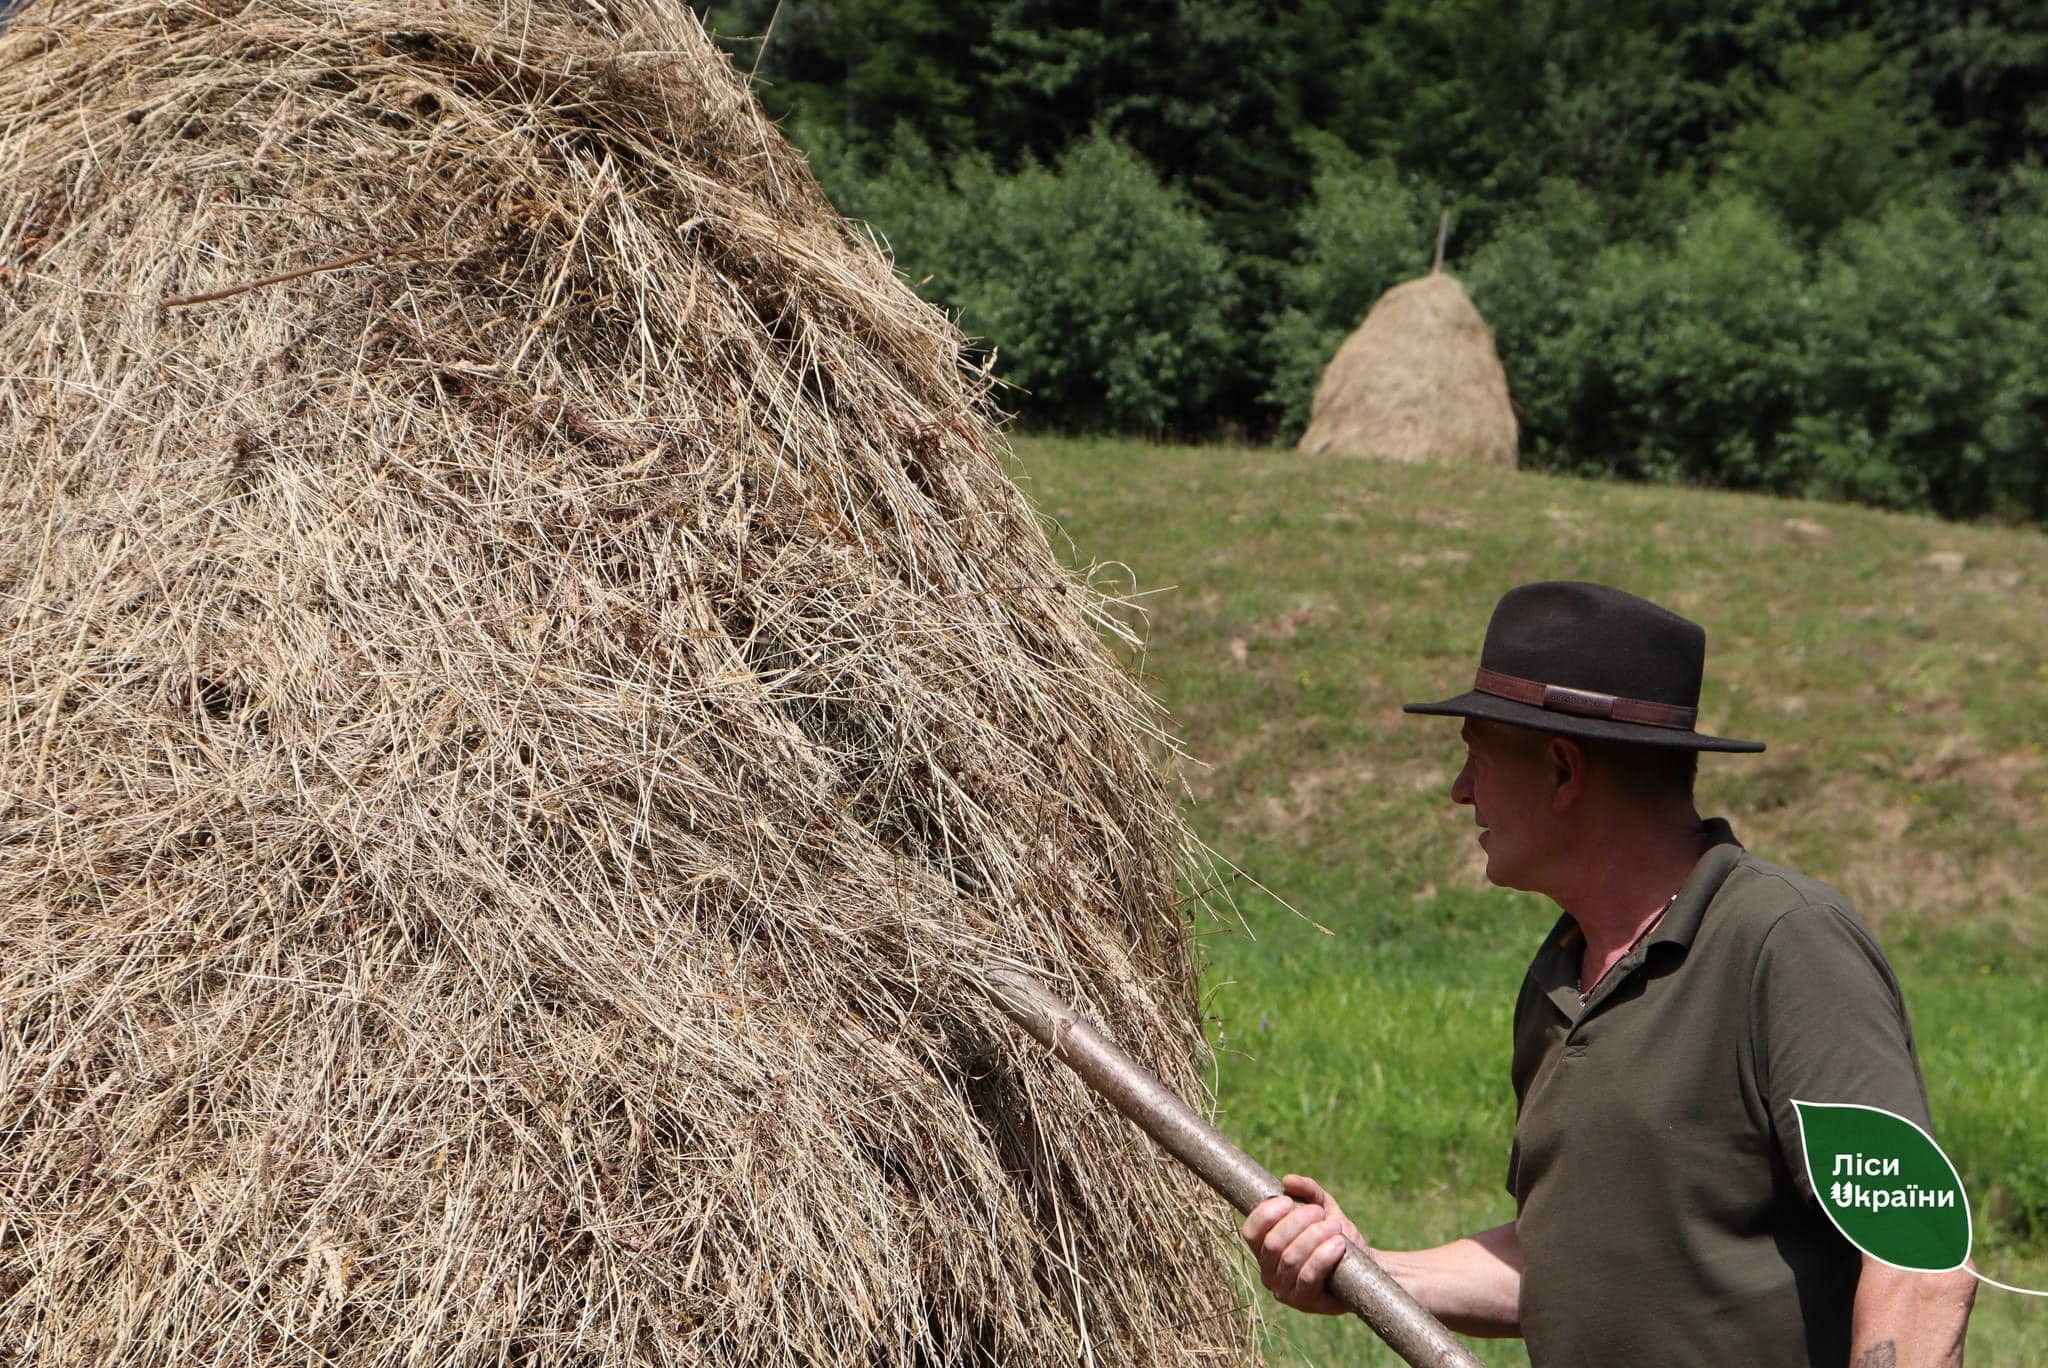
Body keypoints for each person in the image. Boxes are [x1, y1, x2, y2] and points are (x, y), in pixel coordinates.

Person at [1242, 581, 1976, 1367]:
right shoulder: (1563, 976)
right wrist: (1366, 1270)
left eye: (1476, 759)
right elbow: (1565, 1263)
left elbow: (1921, 1261)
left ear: (1562, 770)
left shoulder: (1783, 944)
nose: (1459, 792)